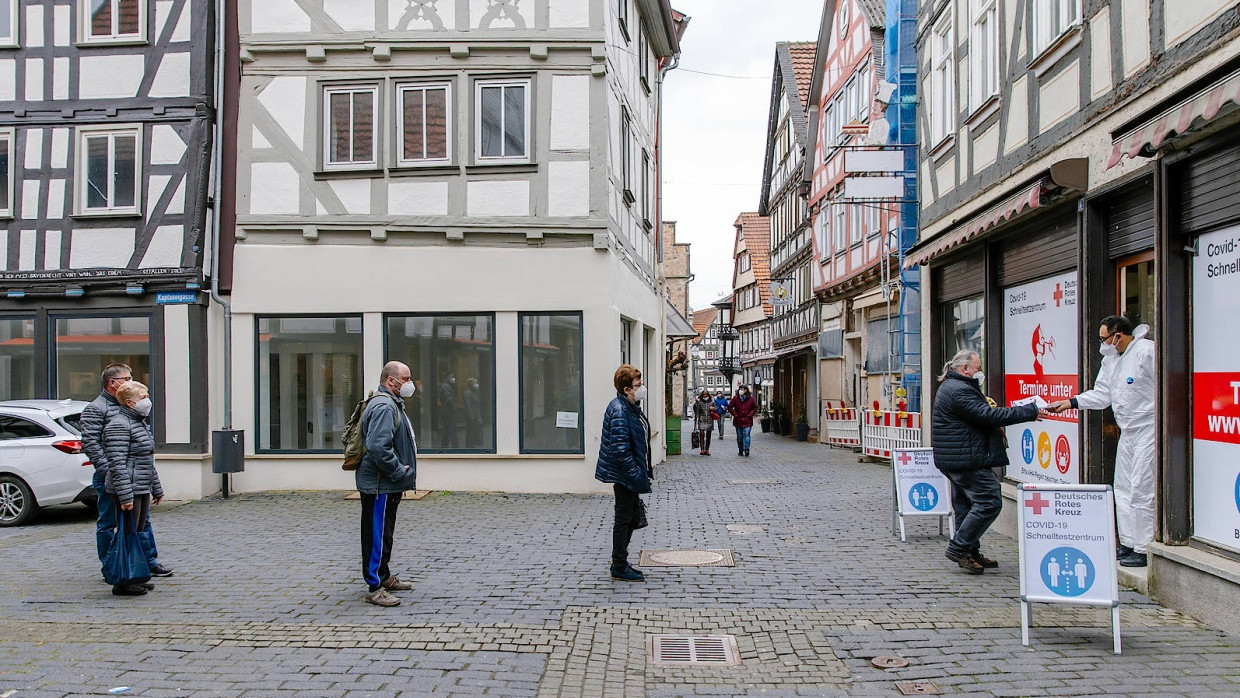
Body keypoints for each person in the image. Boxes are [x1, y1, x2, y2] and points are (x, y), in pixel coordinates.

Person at [1047, 315, 1156, 568]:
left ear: (1118, 336)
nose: (1101, 344)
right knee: (1123, 487)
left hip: (1149, 429)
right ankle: (1128, 543)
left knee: (1141, 488)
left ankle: (1143, 548)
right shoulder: (1111, 361)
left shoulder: (1145, 352)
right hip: (1127, 431)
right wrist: (1071, 403)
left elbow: (1168, 385)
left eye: (1103, 339)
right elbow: (1102, 395)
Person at [932, 350, 1040, 574]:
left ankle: (969, 551)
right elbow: (987, 416)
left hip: (958, 457)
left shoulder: (955, 386)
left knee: (965, 505)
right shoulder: (959, 390)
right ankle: (960, 548)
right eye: (978, 369)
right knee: (989, 501)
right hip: (966, 458)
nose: (980, 373)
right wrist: (1030, 411)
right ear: (965, 369)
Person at [81, 364, 172, 584]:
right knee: (109, 523)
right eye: (127, 378)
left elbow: (144, 453)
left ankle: (146, 562)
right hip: (115, 477)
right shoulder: (97, 408)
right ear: (113, 383)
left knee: (142, 521)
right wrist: (109, 472)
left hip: (136, 478)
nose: (131, 381)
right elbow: (92, 444)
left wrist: (153, 483)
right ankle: (113, 567)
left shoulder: (134, 413)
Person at [356, 361, 420, 607]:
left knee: (385, 533)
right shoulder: (384, 405)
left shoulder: (391, 403)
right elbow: (378, 447)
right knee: (376, 534)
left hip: (386, 483)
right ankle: (374, 586)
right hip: (380, 484)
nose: (410, 383)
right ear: (391, 381)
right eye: (406, 378)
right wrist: (397, 471)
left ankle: (384, 576)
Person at [102, 381, 163, 596]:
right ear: (129, 402)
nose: (147, 401)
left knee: (136, 532)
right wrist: (125, 495)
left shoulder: (139, 423)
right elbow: (117, 463)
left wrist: (156, 488)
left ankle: (135, 573)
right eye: (143, 396)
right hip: (128, 488)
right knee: (127, 533)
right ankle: (123, 581)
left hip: (140, 486)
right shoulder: (119, 425)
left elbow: (147, 459)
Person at [594, 364, 651, 582]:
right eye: (638, 384)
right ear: (627, 389)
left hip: (628, 473)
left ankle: (621, 562)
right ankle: (619, 564)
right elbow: (620, 448)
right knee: (624, 519)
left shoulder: (628, 406)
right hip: (624, 475)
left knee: (628, 518)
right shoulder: (619, 410)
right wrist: (635, 474)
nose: (642, 387)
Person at [729, 387, 758, 456]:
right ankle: (740, 450)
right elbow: (730, 407)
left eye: (742, 389)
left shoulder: (750, 399)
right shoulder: (736, 398)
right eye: (740, 389)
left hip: (747, 420)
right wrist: (735, 414)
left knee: (746, 434)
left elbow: (755, 407)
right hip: (738, 420)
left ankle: (747, 449)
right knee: (739, 436)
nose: (741, 391)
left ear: (746, 390)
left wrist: (750, 414)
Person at [438, 373, 458, 448]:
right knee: (451, 429)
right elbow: (449, 399)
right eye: (451, 377)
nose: (453, 379)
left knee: (446, 430)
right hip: (448, 411)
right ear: (447, 377)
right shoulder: (446, 386)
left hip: (446, 410)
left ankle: (444, 446)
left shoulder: (446, 386)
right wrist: (454, 408)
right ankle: (455, 447)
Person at [692, 390, 714, 456]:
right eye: (704, 396)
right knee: (701, 434)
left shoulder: (711, 402)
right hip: (702, 420)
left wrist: (713, 408)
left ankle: (707, 449)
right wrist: (696, 421)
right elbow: (697, 412)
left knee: (708, 436)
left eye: (706, 396)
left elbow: (716, 409)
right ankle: (702, 449)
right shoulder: (700, 402)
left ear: (708, 396)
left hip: (710, 420)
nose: (705, 397)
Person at [463, 377, 482, 448]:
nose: (477, 384)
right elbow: (468, 406)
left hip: (474, 416)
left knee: (472, 432)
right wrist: (472, 417)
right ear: (471, 384)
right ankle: (469, 446)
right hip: (471, 417)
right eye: (475, 383)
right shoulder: (468, 393)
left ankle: (471, 445)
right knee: (470, 432)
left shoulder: (473, 392)